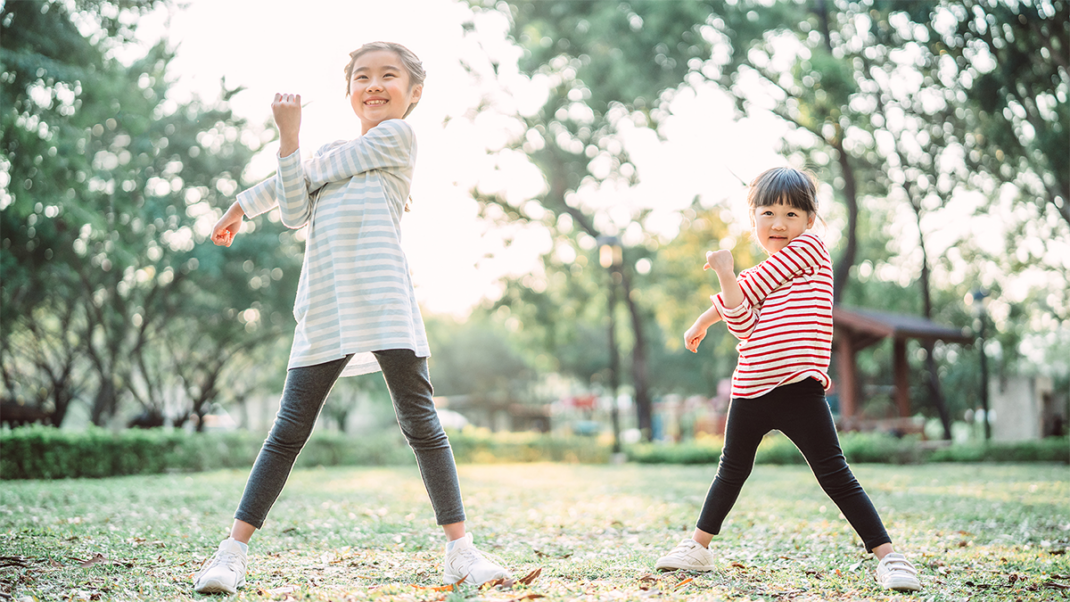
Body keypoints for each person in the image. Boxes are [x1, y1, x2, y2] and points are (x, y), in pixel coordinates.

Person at [193, 42, 510, 594]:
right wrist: (286, 147)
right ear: (348, 92)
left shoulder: (396, 139)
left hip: (385, 303)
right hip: (326, 307)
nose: (374, 84)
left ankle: (462, 551)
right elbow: (294, 210)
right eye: (362, 76)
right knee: (287, 431)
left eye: (389, 75)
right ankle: (229, 554)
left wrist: (256, 192)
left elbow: (309, 178)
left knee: (422, 425)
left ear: (413, 94)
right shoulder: (325, 155)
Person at [653, 167, 921, 593]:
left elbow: (751, 284)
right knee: (731, 471)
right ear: (753, 218)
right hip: (750, 388)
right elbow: (742, 322)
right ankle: (698, 547)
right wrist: (717, 302)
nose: (780, 223)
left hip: (799, 389)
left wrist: (708, 309)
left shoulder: (810, 250)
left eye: (793, 214)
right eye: (769, 212)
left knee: (835, 473)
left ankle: (890, 558)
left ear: (810, 221)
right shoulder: (765, 274)